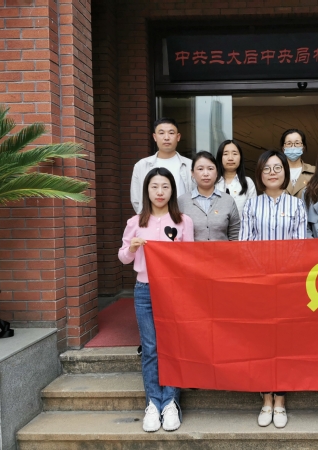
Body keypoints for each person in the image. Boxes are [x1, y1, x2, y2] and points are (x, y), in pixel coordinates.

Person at [119, 167, 194, 432]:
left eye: (165, 186)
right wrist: (132, 248)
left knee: (171, 347)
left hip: (173, 292)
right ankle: (153, 403)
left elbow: (189, 258)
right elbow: (123, 257)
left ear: (172, 191)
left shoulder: (183, 221)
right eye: (154, 187)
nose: (160, 192)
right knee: (150, 348)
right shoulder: (135, 222)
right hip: (145, 289)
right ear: (146, 191)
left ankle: (171, 402)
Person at [239, 150, 307, 428]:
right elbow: (245, 245)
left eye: (277, 167)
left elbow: (301, 245)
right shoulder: (251, 205)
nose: (272, 173)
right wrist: (263, 274)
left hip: (288, 283)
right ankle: (266, 398)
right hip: (259, 283)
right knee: (262, 340)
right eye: (267, 168)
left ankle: (280, 399)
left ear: (285, 172)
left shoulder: (297, 205)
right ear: (260, 173)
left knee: (285, 341)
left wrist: (284, 274)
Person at [130, 117, 194, 214]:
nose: (166, 137)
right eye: (161, 133)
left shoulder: (190, 165)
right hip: (151, 220)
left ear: (178, 137)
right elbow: (136, 200)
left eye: (171, 133)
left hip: (183, 218)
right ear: (155, 137)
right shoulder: (141, 166)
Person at [178, 151, 240, 241]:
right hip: (191, 251)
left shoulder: (228, 201)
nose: (206, 173)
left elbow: (235, 236)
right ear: (192, 173)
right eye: (200, 169)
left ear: (217, 172)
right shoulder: (182, 201)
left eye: (210, 169)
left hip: (222, 251)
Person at [215, 139, 257, 216]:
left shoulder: (248, 182)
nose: (230, 158)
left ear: (240, 157)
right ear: (219, 157)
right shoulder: (212, 182)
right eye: (225, 154)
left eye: (235, 154)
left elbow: (253, 212)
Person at [280, 128, 315, 198]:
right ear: (283, 148)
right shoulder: (275, 172)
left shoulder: (314, 172)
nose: (293, 147)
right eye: (289, 143)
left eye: (297, 143)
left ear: (303, 147)